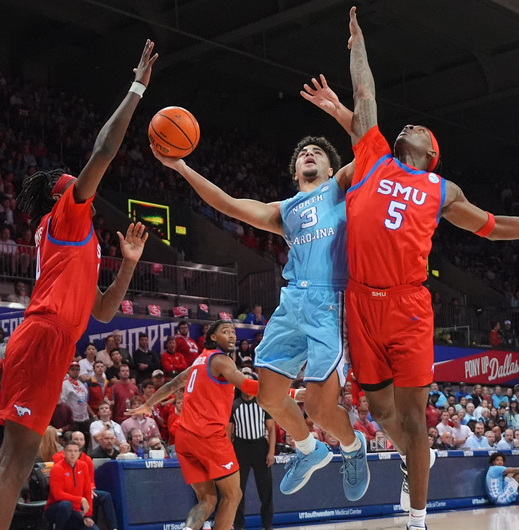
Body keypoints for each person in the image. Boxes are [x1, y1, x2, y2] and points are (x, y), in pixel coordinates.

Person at [321, 6, 519, 530]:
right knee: (379, 412)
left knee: (415, 419)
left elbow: (494, 225)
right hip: (359, 302)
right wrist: (358, 41)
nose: (414, 127)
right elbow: (364, 88)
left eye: (423, 132)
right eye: (411, 127)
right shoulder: (371, 153)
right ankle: (413, 461)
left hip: (406, 305)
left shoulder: (440, 187)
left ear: (431, 152)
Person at [0, 40, 156, 530]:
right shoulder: (65, 216)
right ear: (62, 194)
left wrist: (128, 264)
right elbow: (105, 149)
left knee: (7, 459)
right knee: (19, 463)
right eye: (73, 179)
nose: (81, 180)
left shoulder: (74, 247)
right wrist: (136, 88)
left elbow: (106, 311)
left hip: (42, 337)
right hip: (43, 338)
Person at [153, 113, 369, 505]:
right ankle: (309, 451)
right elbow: (229, 204)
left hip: (328, 301)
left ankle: (353, 448)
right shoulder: (284, 210)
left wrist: (339, 107)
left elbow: (371, 143)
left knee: (320, 407)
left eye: (317, 152)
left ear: (331, 167)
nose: (308, 153)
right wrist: (181, 166)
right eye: (304, 151)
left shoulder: (339, 188)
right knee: (269, 396)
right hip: (292, 302)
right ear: (295, 171)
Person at [127, 317, 252, 530]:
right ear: (213, 338)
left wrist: (149, 403)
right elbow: (248, 387)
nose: (232, 334)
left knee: (207, 499)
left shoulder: (198, 362)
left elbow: (172, 386)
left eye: (233, 331)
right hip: (209, 437)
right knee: (233, 495)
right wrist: (288, 392)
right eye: (225, 331)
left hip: (185, 438)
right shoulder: (221, 360)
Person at [229, 369, 276, 530]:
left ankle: (267, 525)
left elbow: (271, 429)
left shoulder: (262, 403)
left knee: (266, 489)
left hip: (259, 446)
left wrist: (271, 452)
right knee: (237, 489)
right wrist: (229, 454)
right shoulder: (234, 405)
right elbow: (229, 432)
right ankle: (239, 526)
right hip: (240, 447)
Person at [45, 442, 103, 530]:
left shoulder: (83, 466)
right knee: (66, 504)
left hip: (75, 511)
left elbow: (87, 491)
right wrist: (81, 500)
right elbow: (58, 495)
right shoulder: (57, 468)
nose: (73, 454)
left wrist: (88, 515)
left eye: (76, 451)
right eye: (70, 451)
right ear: (64, 453)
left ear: (80, 453)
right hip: (56, 509)